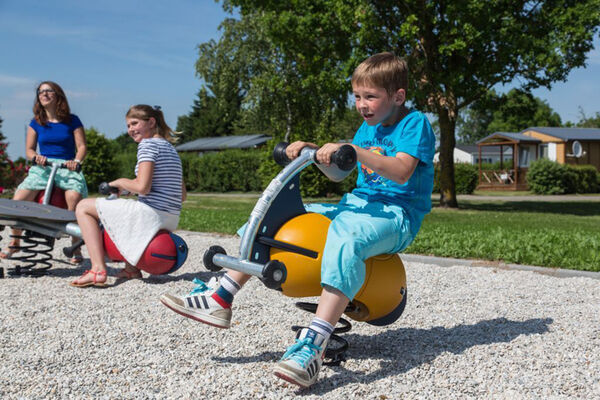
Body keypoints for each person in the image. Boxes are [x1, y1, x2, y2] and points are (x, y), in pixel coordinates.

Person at [160, 52, 435, 388]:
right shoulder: (367, 128)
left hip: (397, 215)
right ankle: (221, 297)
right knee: (277, 215)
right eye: (357, 97)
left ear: (398, 96)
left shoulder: (413, 124)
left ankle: (314, 346)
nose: (362, 105)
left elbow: (402, 171)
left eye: (371, 97)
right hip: (356, 206)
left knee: (347, 238)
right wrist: (315, 151)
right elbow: (339, 173)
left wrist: (353, 149)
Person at [71, 105, 185, 287]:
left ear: (151, 122)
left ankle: (97, 269)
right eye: (128, 126)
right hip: (170, 218)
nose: (130, 129)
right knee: (128, 206)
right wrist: (128, 190)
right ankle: (131, 269)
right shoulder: (170, 149)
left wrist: (119, 182)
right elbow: (181, 195)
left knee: (83, 206)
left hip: (150, 215)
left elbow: (143, 187)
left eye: (134, 123)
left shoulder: (147, 145)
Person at [0, 81, 88, 263]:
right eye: (41, 92)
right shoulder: (37, 123)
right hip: (44, 166)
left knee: (74, 196)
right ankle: (15, 241)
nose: (44, 94)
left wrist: (76, 162)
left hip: (67, 165)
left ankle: (75, 243)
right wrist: (36, 158)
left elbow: (81, 146)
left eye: (49, 91)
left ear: (58, 95)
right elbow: (30, 150)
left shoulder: (72, 121)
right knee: (19, 199)